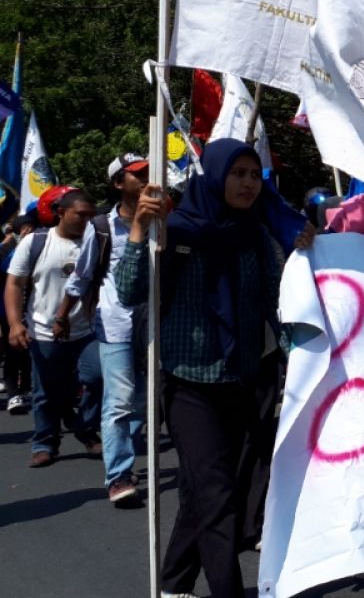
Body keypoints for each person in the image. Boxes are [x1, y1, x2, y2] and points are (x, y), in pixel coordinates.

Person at [115, 139, 312, 598]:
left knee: (205, 491)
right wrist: (141, 229)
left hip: (243, 379)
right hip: (187, 382)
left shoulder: (256, 234)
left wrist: (302, 250)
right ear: (215, 176)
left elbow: (274, 302)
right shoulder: (175, 229)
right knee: (218, 495)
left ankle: (174, 583)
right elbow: (129, 291)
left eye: (252, 175)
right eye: (237, 173)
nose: (246, 183)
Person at [59, 154, 149, 505]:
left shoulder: (163, 219)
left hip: (156, 327)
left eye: (147, 174)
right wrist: (63, 316)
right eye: (136, 175)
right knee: (120, 402)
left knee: (142, 403)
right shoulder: (101, 228)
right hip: (117, 326)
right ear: (117, 184)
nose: (144, 180)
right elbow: (81, 278)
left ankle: (126, 461)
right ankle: (118, 477)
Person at [6, 188, 103, 468]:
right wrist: (15, 324)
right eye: (81, 215)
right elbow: (14, 284)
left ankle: (85, 428)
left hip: (87, 331)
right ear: (61, 213)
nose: (87, 220)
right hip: (43, 332)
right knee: (45, 391)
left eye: (91, 216)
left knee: (97, 377)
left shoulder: (97, 242)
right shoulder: (36, 242)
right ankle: (45, 443)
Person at [1, 211, 36, 414]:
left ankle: (25, 390)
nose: (29, 230)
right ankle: (13, 393)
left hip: (34, 309)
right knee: (12, 351)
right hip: (8, 310)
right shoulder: (10, 250)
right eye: (25, 227)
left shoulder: (40, 245)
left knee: (28, 354)